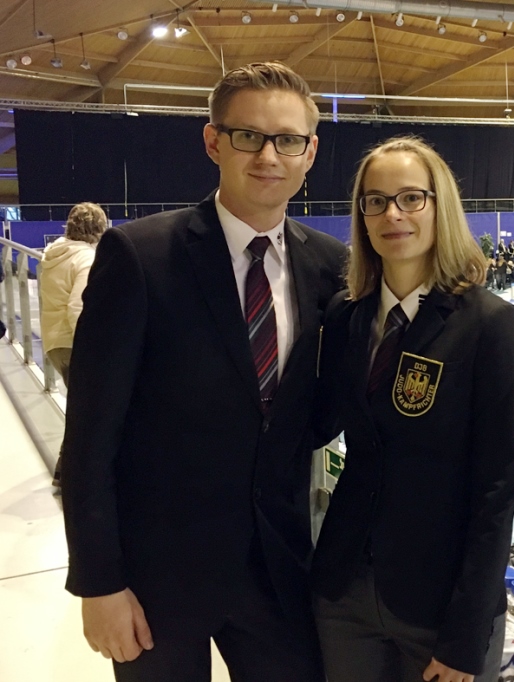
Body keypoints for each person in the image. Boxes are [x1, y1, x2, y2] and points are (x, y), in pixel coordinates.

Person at [62, 62, 349, 680]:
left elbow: (318, 412)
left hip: (278, 572)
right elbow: (88, 438)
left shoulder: (333, 268)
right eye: (249, 136)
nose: (269, 155)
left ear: (310, 152)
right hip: (155, 577)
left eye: (288, 140)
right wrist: (98, 583)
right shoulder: (139, 256)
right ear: (213, 141)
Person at [311, 135, 514, 682]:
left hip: (439, 607)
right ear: (361, 216)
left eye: (412, 197)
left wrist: (465, 633)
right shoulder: (347, 316)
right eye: (376, 200)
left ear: (440, 206)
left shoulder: (489, 326)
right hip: (345, 591)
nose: (393, 214)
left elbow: (496, 489)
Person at [37, 201, 107, 488]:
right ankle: (73, 476)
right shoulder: (86, 259)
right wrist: (95, 347)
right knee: (89, 412)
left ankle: (66, 472)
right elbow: (78, 307)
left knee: (82, 410)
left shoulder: (55, 254)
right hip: (74, 343)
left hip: (54, 342)